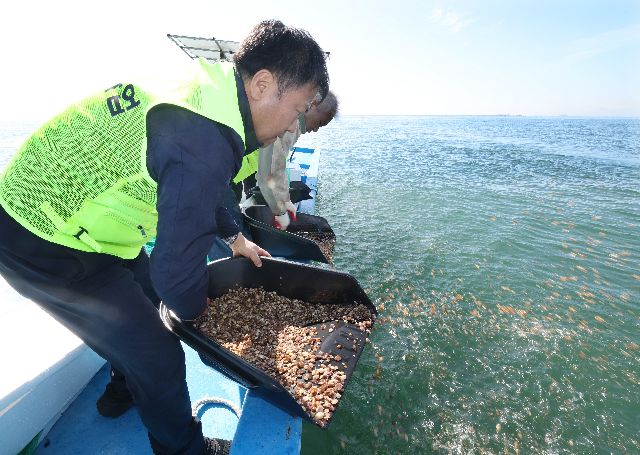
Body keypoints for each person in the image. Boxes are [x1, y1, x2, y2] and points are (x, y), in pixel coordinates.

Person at [0, 19, 329, 455]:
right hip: (41, 235)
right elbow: (177, 273)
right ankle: (184, 450)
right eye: (299, 109)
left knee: (145, 306)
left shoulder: (211, 95)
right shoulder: (204, 135)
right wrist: (213, 324)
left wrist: (235, 239)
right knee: (158, 351)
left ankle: (124, 389)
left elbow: (196, 186)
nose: (295, 126)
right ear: (263, 84)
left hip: (98, 227)